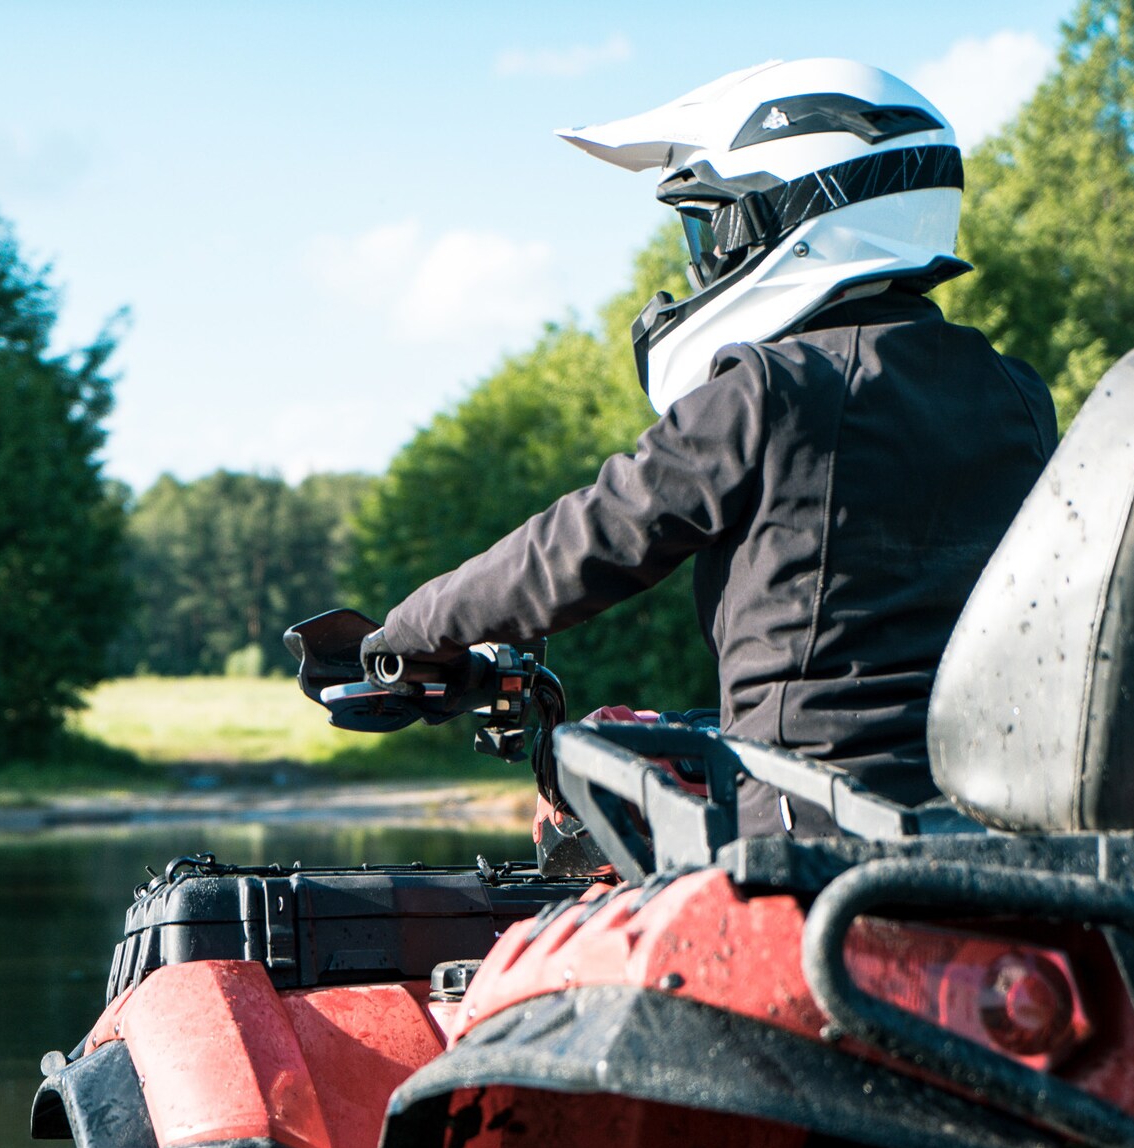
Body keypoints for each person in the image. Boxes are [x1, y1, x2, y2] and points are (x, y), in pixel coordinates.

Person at [362, 59, 1057, 835]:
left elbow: (583, 542)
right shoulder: (1017, 394)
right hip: (986, 818)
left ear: (787, 217)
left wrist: (411, 629)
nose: (702, 263)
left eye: (711, 228)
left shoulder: (769, 389)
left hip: (808, 829)